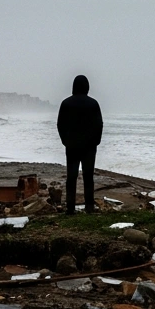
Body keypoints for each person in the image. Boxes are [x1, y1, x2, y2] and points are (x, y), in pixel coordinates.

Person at [57, 74, 102, 214]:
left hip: (72, 146)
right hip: (89, 147)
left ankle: (70, 208)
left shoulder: (66, 103)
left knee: (71, 177)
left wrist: (65, 141)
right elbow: (99, 124)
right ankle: (89, 207)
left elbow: (60, 125)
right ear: (87, 87)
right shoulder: (93, 103)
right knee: (88, 177)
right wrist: (96, 141)